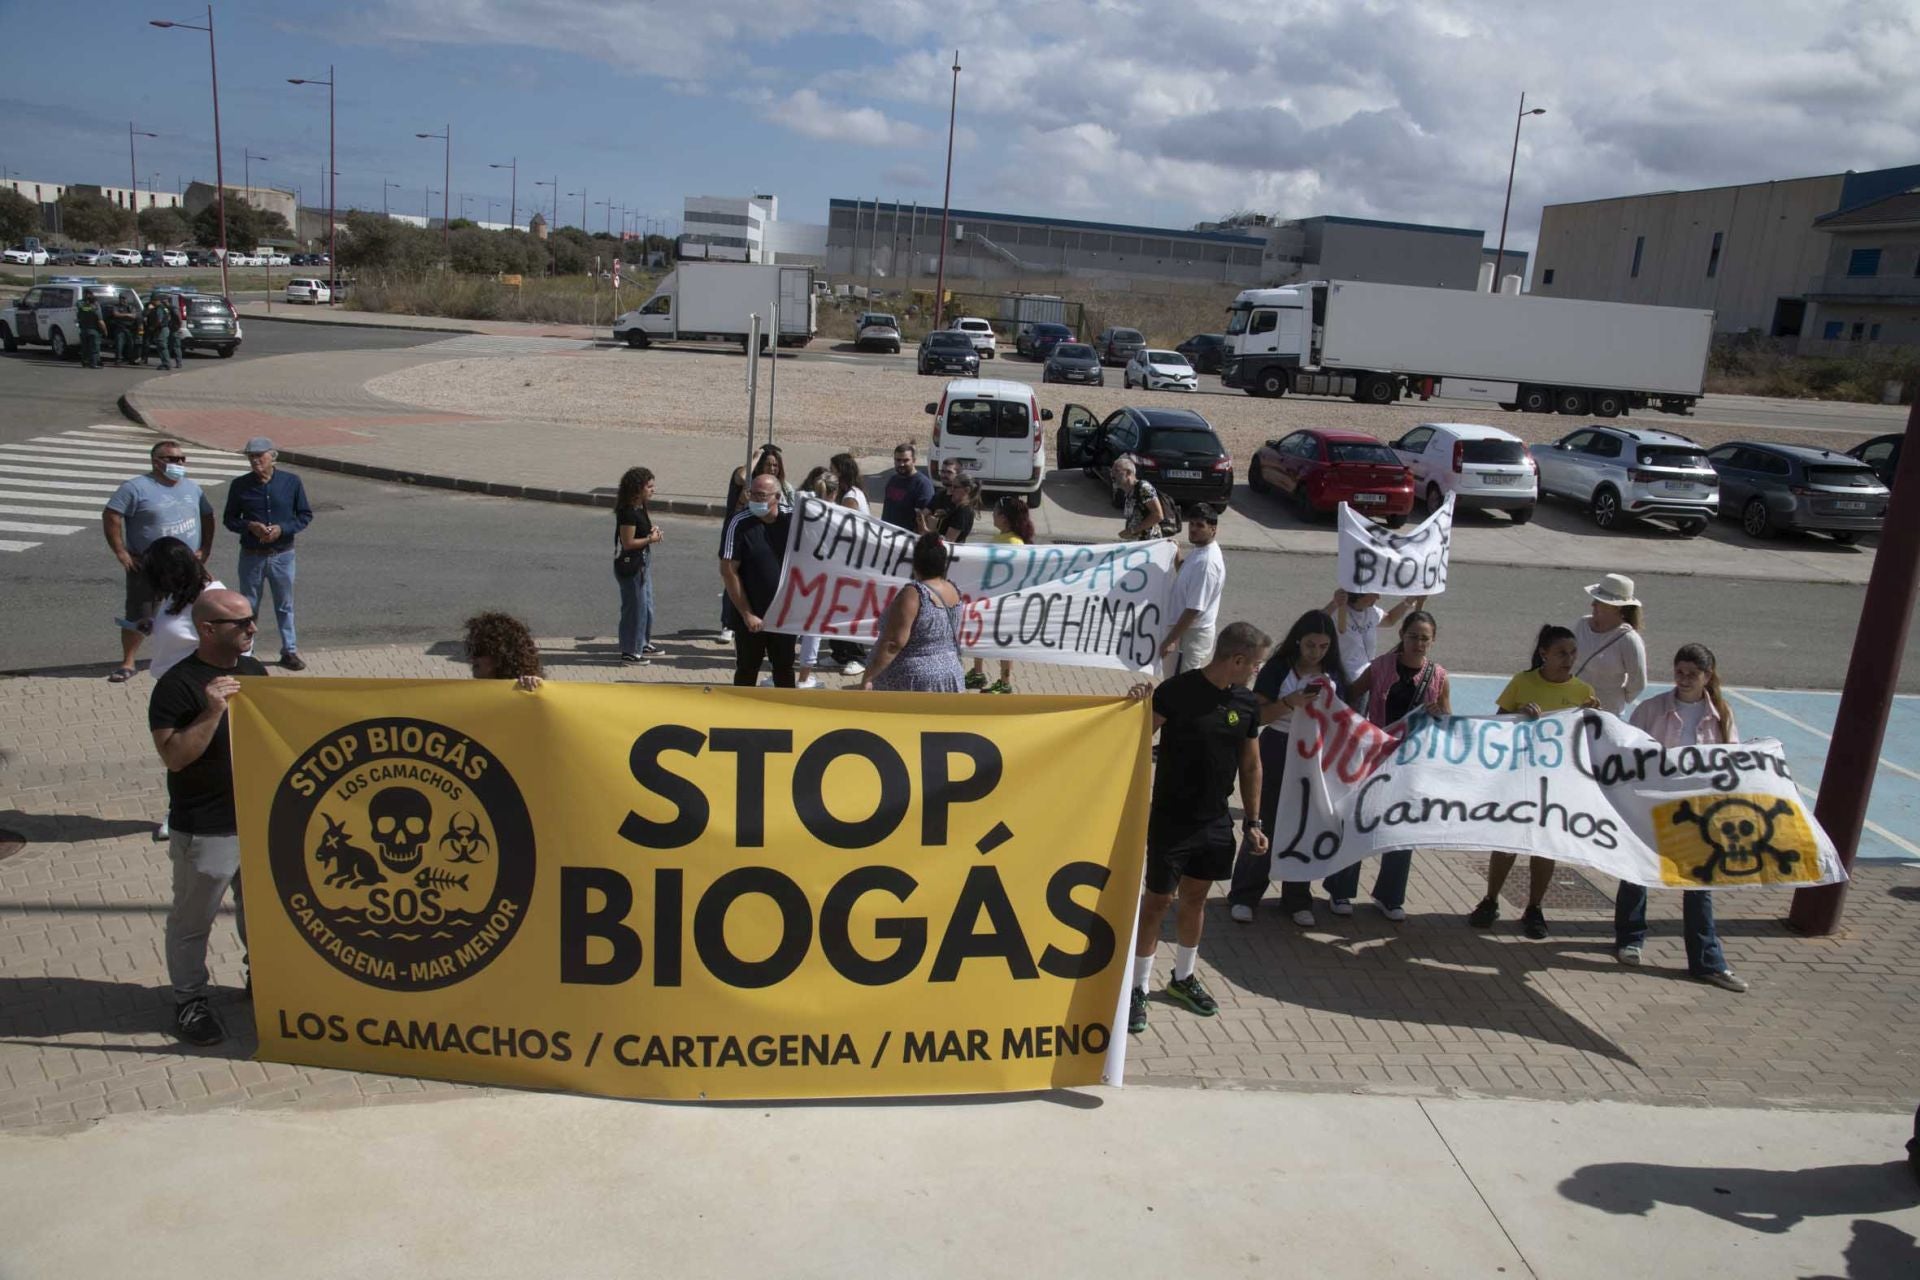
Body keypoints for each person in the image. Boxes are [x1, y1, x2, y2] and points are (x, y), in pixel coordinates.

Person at [1127, 620, 1271, 1035]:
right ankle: (1137, 988)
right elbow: (1133, 739)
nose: (1255, 671)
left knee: (1196, 900)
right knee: (1157, 903)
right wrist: (1134, 705)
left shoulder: (1245, 704)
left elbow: (1251, 764)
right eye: (1255, 664)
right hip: (1171, 818)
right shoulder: (1176, 692)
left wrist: (1254, 822)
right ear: (1237, 659)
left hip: (1215, 822)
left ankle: (1182, 979)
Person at [147, 587, 269, 1045]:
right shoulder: (176, 686)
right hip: (206, 827)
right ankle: (189, 1000)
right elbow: (175, 756)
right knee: (192, 921)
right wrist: (213, 710)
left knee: (260, 915)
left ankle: (263, 979)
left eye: (252, 619)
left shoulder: (254, 670)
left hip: (258, 820)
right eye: (240, 623)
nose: (252, 628)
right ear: (207, 629)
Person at [1615, 643, 1749, 992]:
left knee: (1699, 887)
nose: (1685, 679)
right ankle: (1630, 938)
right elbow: (1628, 752)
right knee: (1636, 873)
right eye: (1679, 672)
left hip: (1699, 813)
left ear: (1708, 676)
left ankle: (1706, 960)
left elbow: (1730, 762)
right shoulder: (1651, 709)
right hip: (1653, 807)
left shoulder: (1722, 713)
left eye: (1692, 674)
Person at [1468, 624, 1599, 939]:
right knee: (1507, 843)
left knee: (1544, 846)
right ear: (1543, 653)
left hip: (1556, 782)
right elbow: (1497, 726)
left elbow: (1590, 739)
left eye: (1572, 653)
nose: (1568, 659)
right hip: (1520, 777)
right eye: (1561, 653)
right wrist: (1521, 716)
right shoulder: (1522, 683)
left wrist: (1592, 717)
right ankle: (1490, 900)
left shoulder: (1583, 692)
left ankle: (1535, 907)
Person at [1322, 609, 1451, 920]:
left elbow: (1448, 721)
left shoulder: (1439, 677)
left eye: (1424, 639)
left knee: (1401, 830)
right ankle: (1340, 890)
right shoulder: (1380, 666)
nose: (1418, 643)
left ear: (1432, 642)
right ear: (1401, 637)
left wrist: (1437, 713)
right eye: (1413, 637)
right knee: (1358, 821)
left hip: (1411, 764)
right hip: (1374, 758)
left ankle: (1390, 897)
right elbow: (1351, 696)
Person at [1229, 610, 1350, 925]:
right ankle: (1245, 894)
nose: (1316, 653)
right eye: (1310, 645)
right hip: (1278, 747)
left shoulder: (1334, 672)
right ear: (1298, 641)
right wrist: (1290, 703)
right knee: (1265, 820)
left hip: (1315, 756)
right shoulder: (1279, 669)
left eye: (1323, 647)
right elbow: (1257, 716)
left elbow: (1346, 719)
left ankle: (1297, 897)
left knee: (1305, 825)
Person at [103, 440, 215, 683]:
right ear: (157, 462)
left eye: (182, 459)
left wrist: (205, 549)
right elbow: (112, 515)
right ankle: (128, 662)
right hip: (148, 565)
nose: (180, 463)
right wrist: (121, 552)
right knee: (139, 612)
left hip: (186, 565)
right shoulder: (135, 488)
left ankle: (192, 655)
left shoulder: (192, 488)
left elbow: (207, 515)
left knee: (194, 609)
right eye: (173, 459)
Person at [222, 437, 313, 671]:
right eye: (251, 456)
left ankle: (289, 651)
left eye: (259, 456)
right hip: (252, 555)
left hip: (282, 554)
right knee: (249, 606)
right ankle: (246, 652)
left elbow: (304, 515)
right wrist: (250, 526)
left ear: (272, 457)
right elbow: (230, 520)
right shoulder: (240, 485)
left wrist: (283, 529)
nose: (254, 461)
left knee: (285, 605)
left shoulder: (291, 482)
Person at [858, 532, 967, 693]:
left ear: (916, 563)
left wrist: (868, 676)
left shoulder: (914, 594)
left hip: (914, 681)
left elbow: (894, 643)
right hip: (951, 675)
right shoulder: (953, 589)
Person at [721, 473, 798, 688]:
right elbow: (728, 571)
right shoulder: (739, 523)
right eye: (752, 494)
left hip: (784, 616)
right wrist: (747, 613)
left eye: (761, 496)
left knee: (784, 669)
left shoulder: (793, 520)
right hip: (752, 616)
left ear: (777, 497)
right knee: (747, 669)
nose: (754, 500)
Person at [967, 495, 1033, 694]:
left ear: (1004, 518)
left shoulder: (1014, 543)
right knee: (979, 634)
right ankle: (978, 673)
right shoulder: (1002, 537)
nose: (992, 516)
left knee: (1004, 641)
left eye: (995, 512)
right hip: (988, 598)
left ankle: (1005, 682)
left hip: (1004, 602)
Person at [1160, 505, 1226, 677]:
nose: (1193, 529)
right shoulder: (1200, 550)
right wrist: (1176, 554)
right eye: (1192, 524)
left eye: (1200, 526)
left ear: (1213, 529)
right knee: (1173, 683)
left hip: (1190, 636)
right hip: (1185, 633)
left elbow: (1194, 609)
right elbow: (1185, 571)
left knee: (1182, 686)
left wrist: (1171, 639)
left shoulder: (1207, 564)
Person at [1324, 589, 1426, 697]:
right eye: (1373, 593)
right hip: (1348, 680)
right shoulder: (1338, 611)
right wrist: (1335, 602)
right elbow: (1315, 621)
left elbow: (1390, 619)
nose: (1378, 597)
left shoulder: (1371, 611)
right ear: (1359, 594)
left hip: (1369, 675)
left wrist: (1409, 600)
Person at [1575, 573, 1648, 715]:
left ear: (1616, 607)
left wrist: (1616, 699)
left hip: (1607, 712)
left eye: (1599, 601)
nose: (1593, 604)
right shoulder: (1581, 625)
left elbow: (1638, 682)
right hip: (1572, 706)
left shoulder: (1629, 639)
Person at [792, 467, 837, 688]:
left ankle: (781, 667)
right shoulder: (838, 517)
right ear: (834, 493)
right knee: (813, 630)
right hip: (823, 578)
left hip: (798, 574)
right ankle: (804, 676)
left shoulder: (803, 510)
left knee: (790, 623)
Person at [613, 466, 663, 664]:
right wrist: (651, 539)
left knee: (646, 606)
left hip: (643, 562)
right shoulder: (627, 512)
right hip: (631, 565)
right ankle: (630, 651)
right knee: (634, 608)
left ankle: (642, 643)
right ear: (637, 489)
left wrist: (652, 531)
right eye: (649, 486)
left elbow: (642, 530)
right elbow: (628, 543)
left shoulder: (640, 507)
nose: (653, 490)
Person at [826, 453, 869, 676]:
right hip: (841, 562)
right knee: (836, 608)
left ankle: (856, 656)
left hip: (853, 563)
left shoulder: (851, 496)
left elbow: (847, 528)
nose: (828, 472)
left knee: (849, 610)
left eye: (832, 469)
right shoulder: (844, 494)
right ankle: (839, 653)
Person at [463, 611, 543, 690]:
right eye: (472, 650)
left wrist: (534, 686)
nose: (472, 658)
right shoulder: (470, 693)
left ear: (500, 656)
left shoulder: (525, 689)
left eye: (479, 651)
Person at [1114, 456, 1178, 540]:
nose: (1112, 474)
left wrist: (1132, 530)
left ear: (1128, 472)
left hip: (1148, 542)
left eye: (1116, 471)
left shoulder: (1143, 487)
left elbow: (1158, 515)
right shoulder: (1129, 492)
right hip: (1136, 542)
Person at [881, 442, 935, 531]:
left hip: (908, 539)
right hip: (887, 535)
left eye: (905, 460)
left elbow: (925, 518)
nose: (901, 464)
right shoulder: (893, 480)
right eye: (898, 460)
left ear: (914, 460)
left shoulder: (923, 485)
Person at [924, 471, 979, 543]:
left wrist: (932, 529)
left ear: (967, 490)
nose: (951, 490)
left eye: (955, 487)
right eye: (951, 486)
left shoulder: (964, 511)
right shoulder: (956, 507)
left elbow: (949, 541)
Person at [77, 290, 110, 369]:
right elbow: (100, 321)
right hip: (93, 330)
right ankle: (94, 363)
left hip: (83, 330)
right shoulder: (95, 307)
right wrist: (105, 331)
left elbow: (80, 314)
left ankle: (85, 362)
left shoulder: (82, 307)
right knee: (95, 348)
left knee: (85, 348)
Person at [108, 295, 143, 365]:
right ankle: (118, 359)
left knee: (131, 344)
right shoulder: (116, 306)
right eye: (121, 298)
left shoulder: (130, 307)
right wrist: (127, 315)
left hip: (130, 328)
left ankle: (130, 358)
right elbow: (115, 314)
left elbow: (134, 316)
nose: (123, 300)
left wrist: (123, 315)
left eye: (124, 298)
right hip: (120, 328)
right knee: (119, 344)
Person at [141, 295, 170, 367]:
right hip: (162, 328)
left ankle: (166, 363)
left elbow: (159, 321)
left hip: (161, 329)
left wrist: (153, 327)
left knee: (162, 346)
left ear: (156, 301)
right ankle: (165, 363)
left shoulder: (159, 308)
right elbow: (168, 317)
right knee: (160, 346)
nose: (151, 302)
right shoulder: (163, 307)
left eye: (153, 301)